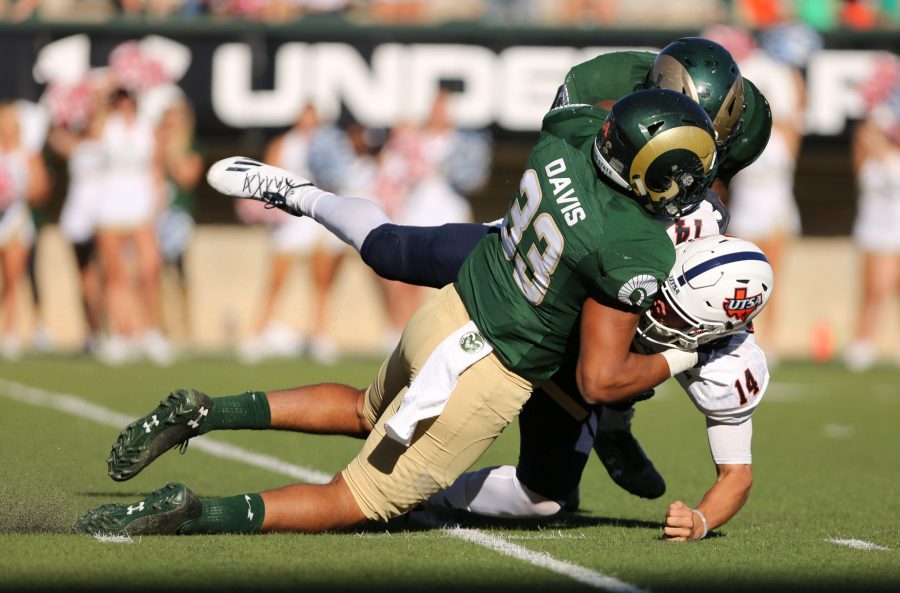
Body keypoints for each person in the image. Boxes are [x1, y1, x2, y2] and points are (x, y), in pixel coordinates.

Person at [76, 87, 719, 536]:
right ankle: (197, 514)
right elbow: (599, 382)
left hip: (448, 311)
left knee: (365, 409)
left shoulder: (568, 138)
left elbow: (595, 104)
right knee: (357, 499)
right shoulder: (632, 245)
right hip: (486, 372)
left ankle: (209, 410)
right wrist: (685, 350)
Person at [238, 105, 350, 364]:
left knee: (321, 278)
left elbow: (340, 175)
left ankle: (321, 334)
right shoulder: (284, 143)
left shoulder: (330, 143)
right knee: (277, 276)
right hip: (291, 217)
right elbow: (267, 177)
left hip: (317, 214)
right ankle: (259, 332)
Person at [843, 69, 900, 371]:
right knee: (874, 289)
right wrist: (876, 109)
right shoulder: (870, 144)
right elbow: (868, 140)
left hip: (897, 229)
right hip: (875, 230)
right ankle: (862, 342)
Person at [0, 101, 50, 359]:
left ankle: (8, 333)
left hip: (16, 222)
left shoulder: (27, 154)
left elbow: (41, 189)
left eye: (10, 125)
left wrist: (14, 193)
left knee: (12, 279)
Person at [155, 96, 204, 345]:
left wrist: (170, 153)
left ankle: (185, 326)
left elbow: (188, 177)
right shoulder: (153, 143)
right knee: (154, 273)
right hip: (154, 215)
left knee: (179, 272)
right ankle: (160, 327)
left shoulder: (189, 147)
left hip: (177, 216)